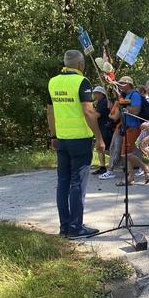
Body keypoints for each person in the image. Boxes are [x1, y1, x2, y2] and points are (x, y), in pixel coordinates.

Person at [46, 50, 105, 238]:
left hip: (61, 139)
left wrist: (53, 136)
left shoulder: (53, 82)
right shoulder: (82, 82)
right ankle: (76, 227)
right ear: (80, 64)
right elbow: (88, 112)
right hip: (79, 139)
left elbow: (50, 111)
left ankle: (64, 227)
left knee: (63, 183)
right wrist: (100, 138)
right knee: (78, 183)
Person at [116, 76, 149, 186]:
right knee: (127, 153)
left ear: (128, 84)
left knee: (125, 154)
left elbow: (136, 110)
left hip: (133, 127)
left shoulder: (135, 95)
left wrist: (125, 107)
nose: (120, 85)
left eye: (122, 83)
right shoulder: (126, 95)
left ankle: (146, 168)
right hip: (126, 127)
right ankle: (130, 177)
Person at [92, 86, 112, 175]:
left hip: (105, 128)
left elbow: (96, 115)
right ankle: (102, 166)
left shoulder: (103, 103)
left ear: (101, 94)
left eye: (96, 93)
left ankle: (124, 160)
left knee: (104, 148)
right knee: (101, 148)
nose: (94, 95)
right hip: (101, 127)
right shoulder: (100, 102)